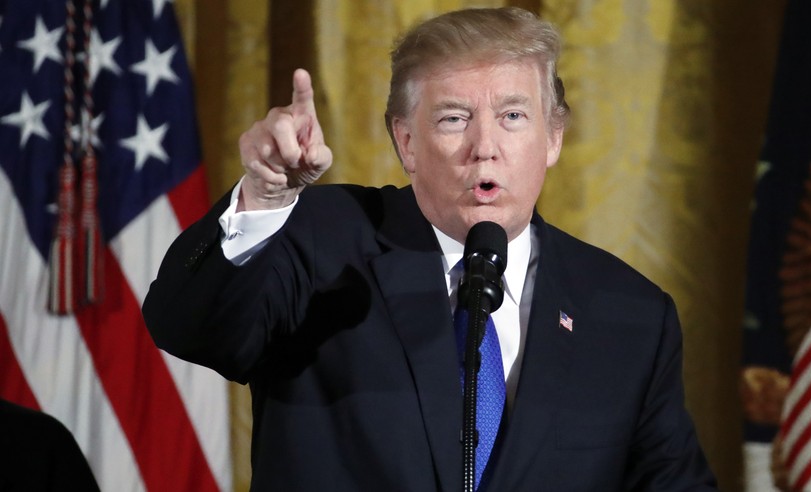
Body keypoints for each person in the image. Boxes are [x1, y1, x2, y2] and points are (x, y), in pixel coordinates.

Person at [143, 7, 716, 491]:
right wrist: (264, 198)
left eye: (513, 116)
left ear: (553, 138)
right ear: (407, 142)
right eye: (453, 118)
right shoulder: (321, 239)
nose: (484, 147)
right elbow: (189, 329)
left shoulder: (630, 314)